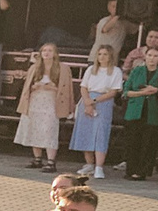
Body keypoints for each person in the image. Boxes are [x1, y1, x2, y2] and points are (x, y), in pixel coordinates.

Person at [16, 44, 75, 173]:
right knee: (34, 127)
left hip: (51, 102)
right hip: (35, 101)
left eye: (50, 51)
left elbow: (67, 89)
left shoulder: (62, 68)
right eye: (44, 51)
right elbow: (26, 87)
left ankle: (51, 161)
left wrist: (53, 88)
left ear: (55, 53)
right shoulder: (34, 68)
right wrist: (35, 87)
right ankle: (37, 159)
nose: (46, 53)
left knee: (49, 130)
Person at [70, 43, 123, 175]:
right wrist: (87, 102)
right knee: (86, 132)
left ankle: (99, 166)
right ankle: (89, 164)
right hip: (87, 99)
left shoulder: (116, 71)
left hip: (103, 102)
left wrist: (94, 101)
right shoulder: (91, 70)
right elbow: (83, 87)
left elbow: (113, 92)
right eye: (99, 54)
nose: (102, 57)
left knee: (100, 133)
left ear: (110, 56)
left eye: (105, 54)